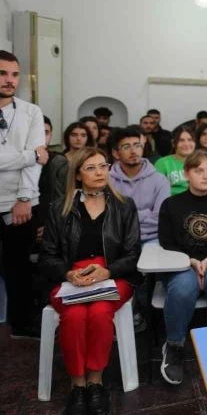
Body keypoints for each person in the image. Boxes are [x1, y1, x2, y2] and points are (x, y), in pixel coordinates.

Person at [39, 147, 141, 415]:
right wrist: (68, 273)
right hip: (71, 277)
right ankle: (78, 385)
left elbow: (133, 254)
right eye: (91, 168)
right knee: (74, 316)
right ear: (78, 174)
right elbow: (47, 255)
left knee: (99, 312)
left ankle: (96, 382)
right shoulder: (59, 208)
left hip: (113, 275)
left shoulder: (124, 205)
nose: (99, 172)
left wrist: (108, 271)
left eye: (103, 166)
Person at [158, 150, 207, 385]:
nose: (205, 176)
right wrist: (191, 260)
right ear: (186, 174)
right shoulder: (171, 204)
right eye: (199, 170)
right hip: (182, 261)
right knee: (183, 286)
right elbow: (167, 242)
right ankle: (174, 345)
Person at [0, 50, 48, 339]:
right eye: (3, 73)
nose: (10, 80)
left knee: (18, 268)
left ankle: (21, 324)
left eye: (15, 74)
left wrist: (25, 198)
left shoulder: (31, 112)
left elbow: (36, 165)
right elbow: (34, 156)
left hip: (20, 203)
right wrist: (29, 155)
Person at [109, 126, 170, 243]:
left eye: (137, 145)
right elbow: (107, 219)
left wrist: (126, 217)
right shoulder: (107, 181)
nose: (133, 151)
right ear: (116, 153)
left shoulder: (160, 180)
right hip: (117, 240)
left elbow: (161, 218)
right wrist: (146, 214)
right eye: (126, 147)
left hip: (152, 239)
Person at [36, 116, 68, 238]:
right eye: (37, 132)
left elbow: (64, 198)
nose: (42, 137)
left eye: (46, 132)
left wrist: (52, 225)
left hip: (50, 225)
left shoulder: (59, 162)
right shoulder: (14, 160)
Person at [154, 126, 196, 195]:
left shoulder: (201, 162)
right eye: (181, 140)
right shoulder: (162, 163)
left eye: (190, 140)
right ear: (173, 143)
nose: (186, 144)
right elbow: (156, 189)